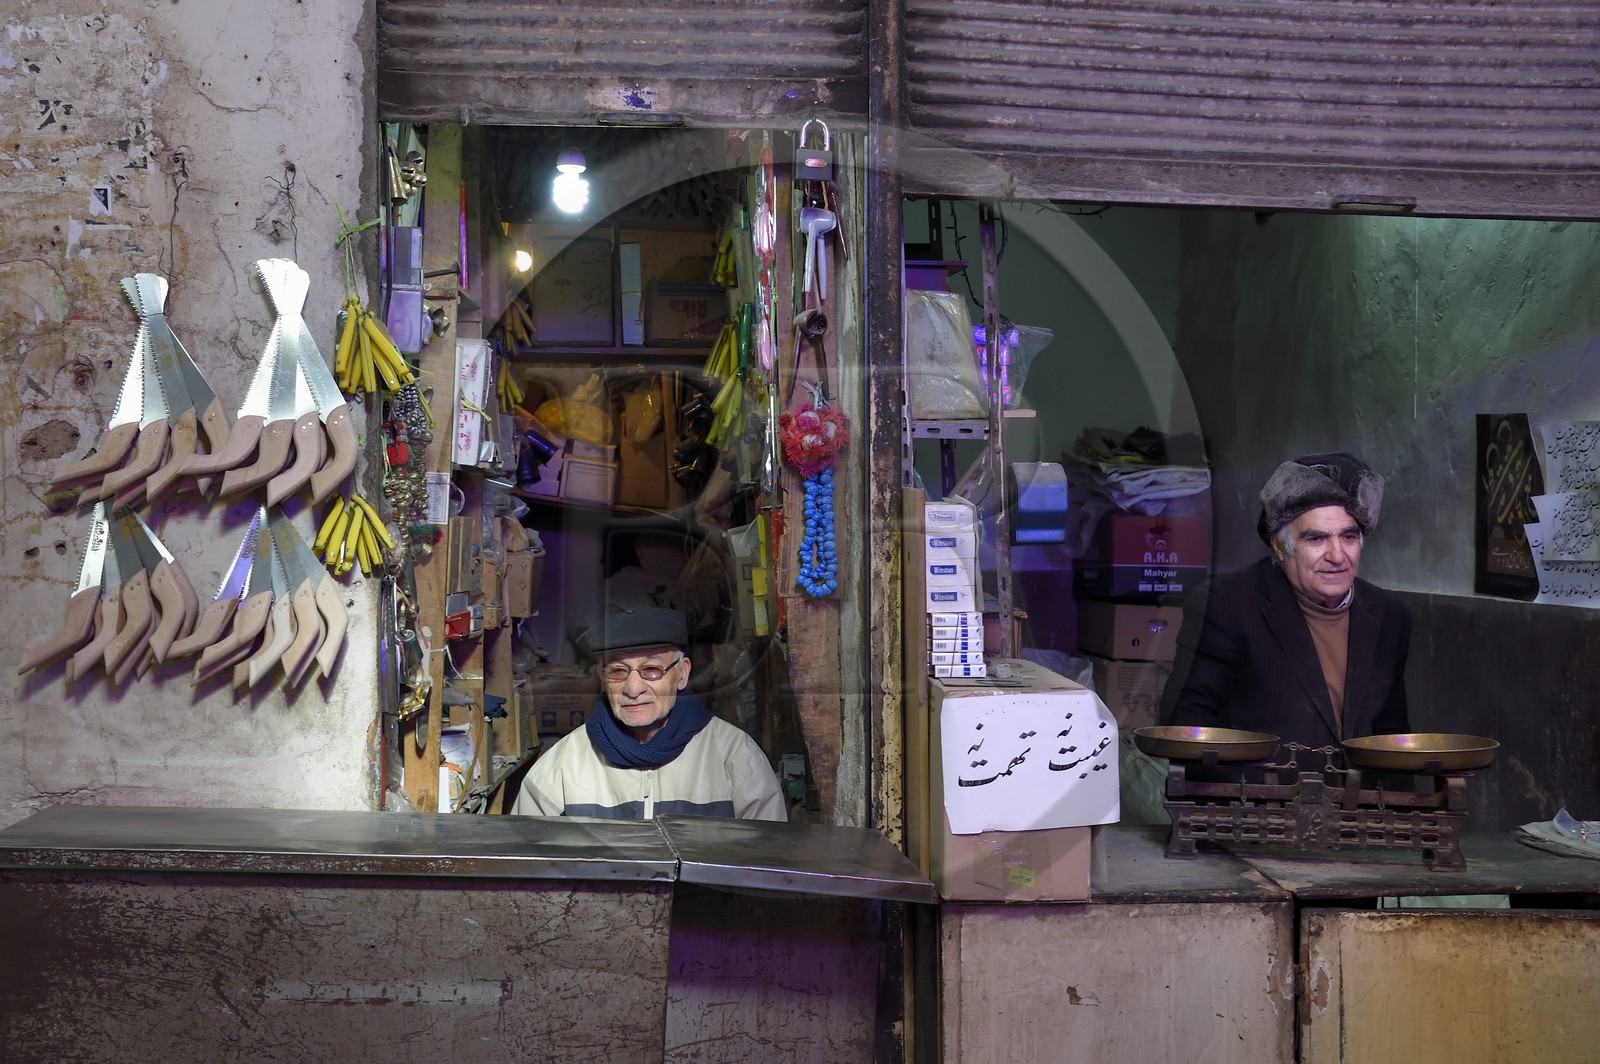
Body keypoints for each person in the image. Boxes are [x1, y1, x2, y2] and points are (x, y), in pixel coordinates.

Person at [1158, 452, 1411, 752]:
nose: (1337, 556)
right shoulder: (1225, 605)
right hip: (1256, 795)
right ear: (1279, 547)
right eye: (1315, 539)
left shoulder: (1389, 616)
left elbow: (1392, 735)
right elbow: (1184, 726)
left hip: (1359, 797)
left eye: (1348, 537)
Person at [513, 607, 787, 821]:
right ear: (602, 678)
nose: (633, 688)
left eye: (652, 670)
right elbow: (526, 862)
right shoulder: (563, 764)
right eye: (618, 671)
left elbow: (769, 866)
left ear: (682, 674)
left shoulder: (734, 756)